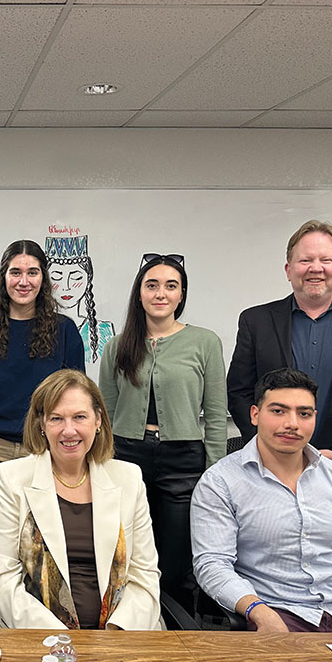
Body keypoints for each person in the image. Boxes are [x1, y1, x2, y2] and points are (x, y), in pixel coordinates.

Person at [192, 368, 332, 633]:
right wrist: (258, 612)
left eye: (304, 413)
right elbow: (213, 565)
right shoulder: (221, 482)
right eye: (278, 411)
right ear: (255, 414)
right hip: (276, 618)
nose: (292, 423)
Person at [0, 369, 161, 630]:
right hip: (37, 639)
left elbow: (144, 576)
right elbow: (1, 580)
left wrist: (115, 634)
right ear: (41, 424)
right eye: (56, 418)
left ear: (98, 420)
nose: (69, 430)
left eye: (80, 417)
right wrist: (62, 641)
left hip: (120, 639)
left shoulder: (128, 479)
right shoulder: (11, 479)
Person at [226, 220, 332, 498]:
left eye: (325, 260)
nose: (315, 268)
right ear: (289, 270)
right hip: (268, 471)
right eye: (305, 260)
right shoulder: (255, 321)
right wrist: (271, 448)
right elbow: (239, 392)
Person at [98, 253, 225, 612]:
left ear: (182, 295)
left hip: (183, 460)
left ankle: (176, 638)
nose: (161, 293)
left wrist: (214, 470)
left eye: (171, 286)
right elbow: (103, 414)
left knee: (174, 563)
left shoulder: (205, 343)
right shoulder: (117, 345)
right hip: (125, 456)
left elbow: (216, 415)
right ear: (139, 293)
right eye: (151, 285)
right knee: (122, 554)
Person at [0, 240, 86, 522]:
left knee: (43, 535)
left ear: (43, 279)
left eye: (32, 272)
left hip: (45, 448)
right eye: (15, 272)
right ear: (3, 278)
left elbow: (77, 398)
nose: (24, 281)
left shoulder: (64, 331)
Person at [44, 235, 115, 364]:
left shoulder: (104, 331)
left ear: (88, 279)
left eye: (76, 277)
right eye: (56, 277)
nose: (66, 286)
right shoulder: (35, 328)